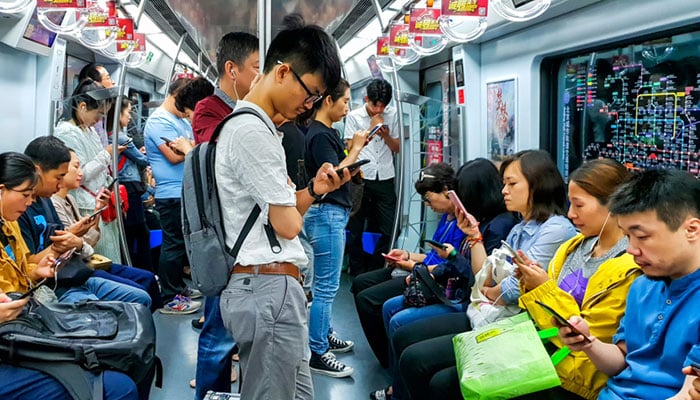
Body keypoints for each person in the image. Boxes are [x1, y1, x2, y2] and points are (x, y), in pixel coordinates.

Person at [215, 16, 349, 399]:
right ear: (283, 72)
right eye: (310, 94)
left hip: (271, 285)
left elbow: (280, 216)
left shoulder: (261, 129)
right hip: (266, 288)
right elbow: (288, 225)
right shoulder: (252, 131)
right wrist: (291, 201)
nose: (308, 106)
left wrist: (314, 190)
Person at [396, 149, 576, 400]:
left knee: (421, 362)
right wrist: (474, 236)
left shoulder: (556, 229)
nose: (505, 190)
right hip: (487, 312)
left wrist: (491, 288)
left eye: (512, 184)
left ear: (537, 185)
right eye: (503, 184)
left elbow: (510, 290)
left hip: (513, 323)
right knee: (407, 339)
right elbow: (483, 275)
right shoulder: (521, 227)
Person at [371, 158, 519, 400]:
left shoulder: (496, 227)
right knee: (388, 307)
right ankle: (398, 386)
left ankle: (399, 391)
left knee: (399, 320)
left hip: (470, 302)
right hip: (460, 291)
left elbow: (478, 280)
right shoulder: (474, 222)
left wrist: (449, 257)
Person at [0, 152, 140, 400]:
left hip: (23, 319)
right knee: (117, 385)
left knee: (126, 341)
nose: (30, 202)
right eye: (24, 195)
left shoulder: (9, 223)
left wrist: (37, 271)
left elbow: (24, 268)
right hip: (15, 330)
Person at [558, 168, 700, 400]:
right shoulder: (642, 286)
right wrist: (588, 343)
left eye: (642, 236)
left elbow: (688, 394)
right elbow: (623, 361)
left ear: (691, 230)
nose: (631, 249)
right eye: (627, 237)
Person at [517, 158, 640, 399]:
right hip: (544, 351)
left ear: (614, 204)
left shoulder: (631, 265)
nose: (571, 214)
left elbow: (582, 336)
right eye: (570, 204)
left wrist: (542, 288)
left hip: (575, 377)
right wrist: (530, 282)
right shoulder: (573, 246)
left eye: (579, 205)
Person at [189, 32, 258, 399]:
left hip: (244, 238)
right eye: (255, 70)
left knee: (235, 328)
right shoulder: (209, 110)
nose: (259, 80)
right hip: (221, 237)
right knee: (217, 331)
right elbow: (222, 159)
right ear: (232, 70)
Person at [352, 163, 466, 369]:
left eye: (430, 199)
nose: (428, 205)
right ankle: (388, 353)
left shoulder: (461, 225)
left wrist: (410, 265)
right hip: (421, 270)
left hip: (431, 279)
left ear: (447, 192)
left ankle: (389, 359)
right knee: (360, 282)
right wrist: (406, 254)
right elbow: (432, 257)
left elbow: (447, 268)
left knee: (368, 299)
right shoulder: (446, 218)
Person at [20, 137, 152, 308]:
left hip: (71, 275)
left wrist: (75, 235)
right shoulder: (22, 211)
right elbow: (27, 265)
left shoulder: (46, 201)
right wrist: (68, 240)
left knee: (142, 297)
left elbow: (65, 241)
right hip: (57, 285)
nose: (60, 184)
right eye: (59, 177)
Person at [304, 78, 369, 377]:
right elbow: (333, 178)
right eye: (344, 101)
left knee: (325, 287)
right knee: (326, 289)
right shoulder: (319, 135)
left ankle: (324, 332)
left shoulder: (328, 133)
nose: (347, 107)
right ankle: (318, 352)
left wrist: (354, 154)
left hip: (332, 215)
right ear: (327, 100)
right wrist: (355, 149)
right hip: (326, 214)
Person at [51, 150, 161, 312]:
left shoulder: (69, 199)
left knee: (148, 278)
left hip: (82, 264)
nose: (80, 173)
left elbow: (90, 240)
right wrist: (80, 241)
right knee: (141, 290)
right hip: (75, 270)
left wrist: (97, 211)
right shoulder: (54, 204)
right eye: (75, 167)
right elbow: (78, 247)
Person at [144, 77, 202, 313]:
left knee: (181, 243)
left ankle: (177, 287)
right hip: (170, 194)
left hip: (183, 191)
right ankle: (169, 297)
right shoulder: (159, 121)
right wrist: (190, 146)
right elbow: (175, 156)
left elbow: (192, 145)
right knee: (173, 244)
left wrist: (189, 145)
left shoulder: (179, 120)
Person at [53, 78, 124, 264]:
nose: (99, 121)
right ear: (82, 106)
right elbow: (79, 174)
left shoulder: (88, 130)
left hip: (99, 201)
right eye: (98, 115)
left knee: (111, 255)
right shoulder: (67, 132)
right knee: (101, 257)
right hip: (86, 204)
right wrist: (106, 155)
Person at [344, 78, 400, 274]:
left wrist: (385, 135)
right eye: (376, 105)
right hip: (361, 177)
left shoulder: (392, 114)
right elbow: (351, 148)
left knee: (390, 228)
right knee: (355, 228)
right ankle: (357, 270)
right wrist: (370, 129)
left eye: (383, 105)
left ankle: (375, 268)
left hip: (384, 176)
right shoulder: (353, 116)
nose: (379, 110)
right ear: (366, 98)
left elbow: (397, 148)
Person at [107, 97, 152, 271]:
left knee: (132, 233)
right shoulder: (122, 138)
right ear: (118, 114)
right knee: (140, 233)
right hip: (130, 189)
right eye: (127, 112)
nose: (129, 117)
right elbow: (142, 161)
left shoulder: (110, 136)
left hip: (124, 188)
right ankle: (144, 270)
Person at [192, 32, 259, 144]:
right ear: (231, 70)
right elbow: (233, 149)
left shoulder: (253, 106)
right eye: (258, 67)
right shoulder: (206, 110)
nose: (262, 75)